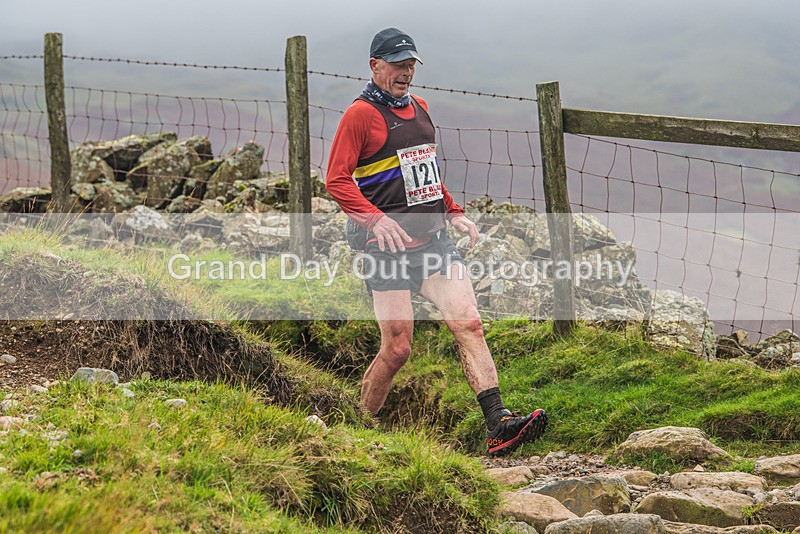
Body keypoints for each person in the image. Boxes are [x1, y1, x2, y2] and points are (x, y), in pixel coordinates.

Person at [325, 27, 547, 456]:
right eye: (397, 64)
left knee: (469, 322)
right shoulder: (360, 115)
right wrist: (373, 221)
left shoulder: (422, 109)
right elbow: (336, 179)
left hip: (433, 242)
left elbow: (426, 176)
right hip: (385, 249)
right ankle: (352, 432)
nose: (406, 72)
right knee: (397, 348)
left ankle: (498, 424)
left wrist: (453, 210)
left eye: (411, 64)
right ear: (375, 66)